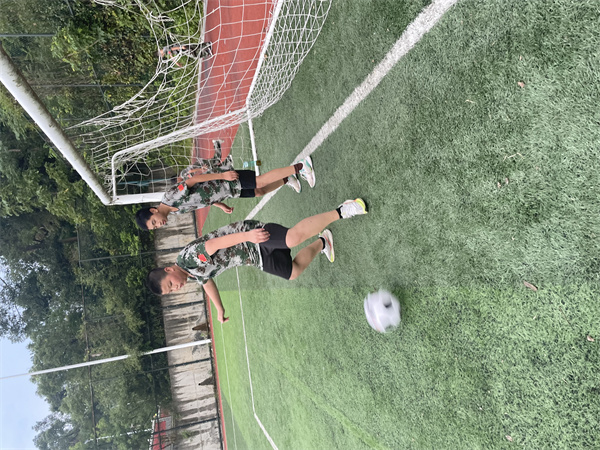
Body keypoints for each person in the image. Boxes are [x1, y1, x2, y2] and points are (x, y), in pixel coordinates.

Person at [146, 199, 368, 322]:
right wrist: (219, 309)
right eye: (172, 291)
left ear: (169, 270)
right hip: (253, 257)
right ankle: (322, 242)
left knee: (292, 238)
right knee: (292, 272)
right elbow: (206, 281)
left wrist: (248, 236)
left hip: (251, 237)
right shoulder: (189, 273)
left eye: (171, 284)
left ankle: (342, 210)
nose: (176, 288)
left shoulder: (188, 259)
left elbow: (215, 244)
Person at [135, 155, 315, 230]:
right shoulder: (175, 212)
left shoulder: (170, 198)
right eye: (155, 227)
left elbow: (193, 181)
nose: (159, 225)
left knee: (260, 181)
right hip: (225, 192)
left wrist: (223, 175)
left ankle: (301, 166)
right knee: (259, 191)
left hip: (224, 181)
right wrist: (220, 205)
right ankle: (287, 179)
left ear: (153, 211)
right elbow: (199, 198)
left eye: (154, 222)